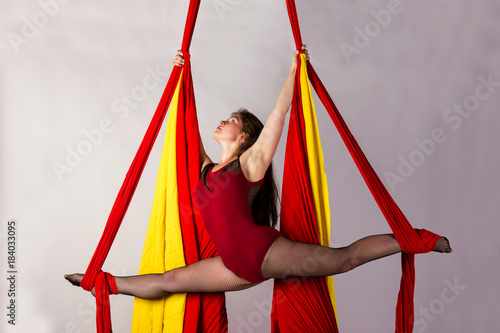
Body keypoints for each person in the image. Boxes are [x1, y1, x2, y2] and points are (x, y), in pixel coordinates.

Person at [65, 46, 452, 298]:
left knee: (343, 259)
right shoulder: (204, 169)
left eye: (231, 120)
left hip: (264, 252)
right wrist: (181, 74)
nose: (223, 121)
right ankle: (102, 283)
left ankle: (419, 239)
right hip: (233, 267)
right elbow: (185, 122)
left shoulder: (248, 164)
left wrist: (295, 68)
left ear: (245, 135)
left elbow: (277, 116)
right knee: (170, 281)